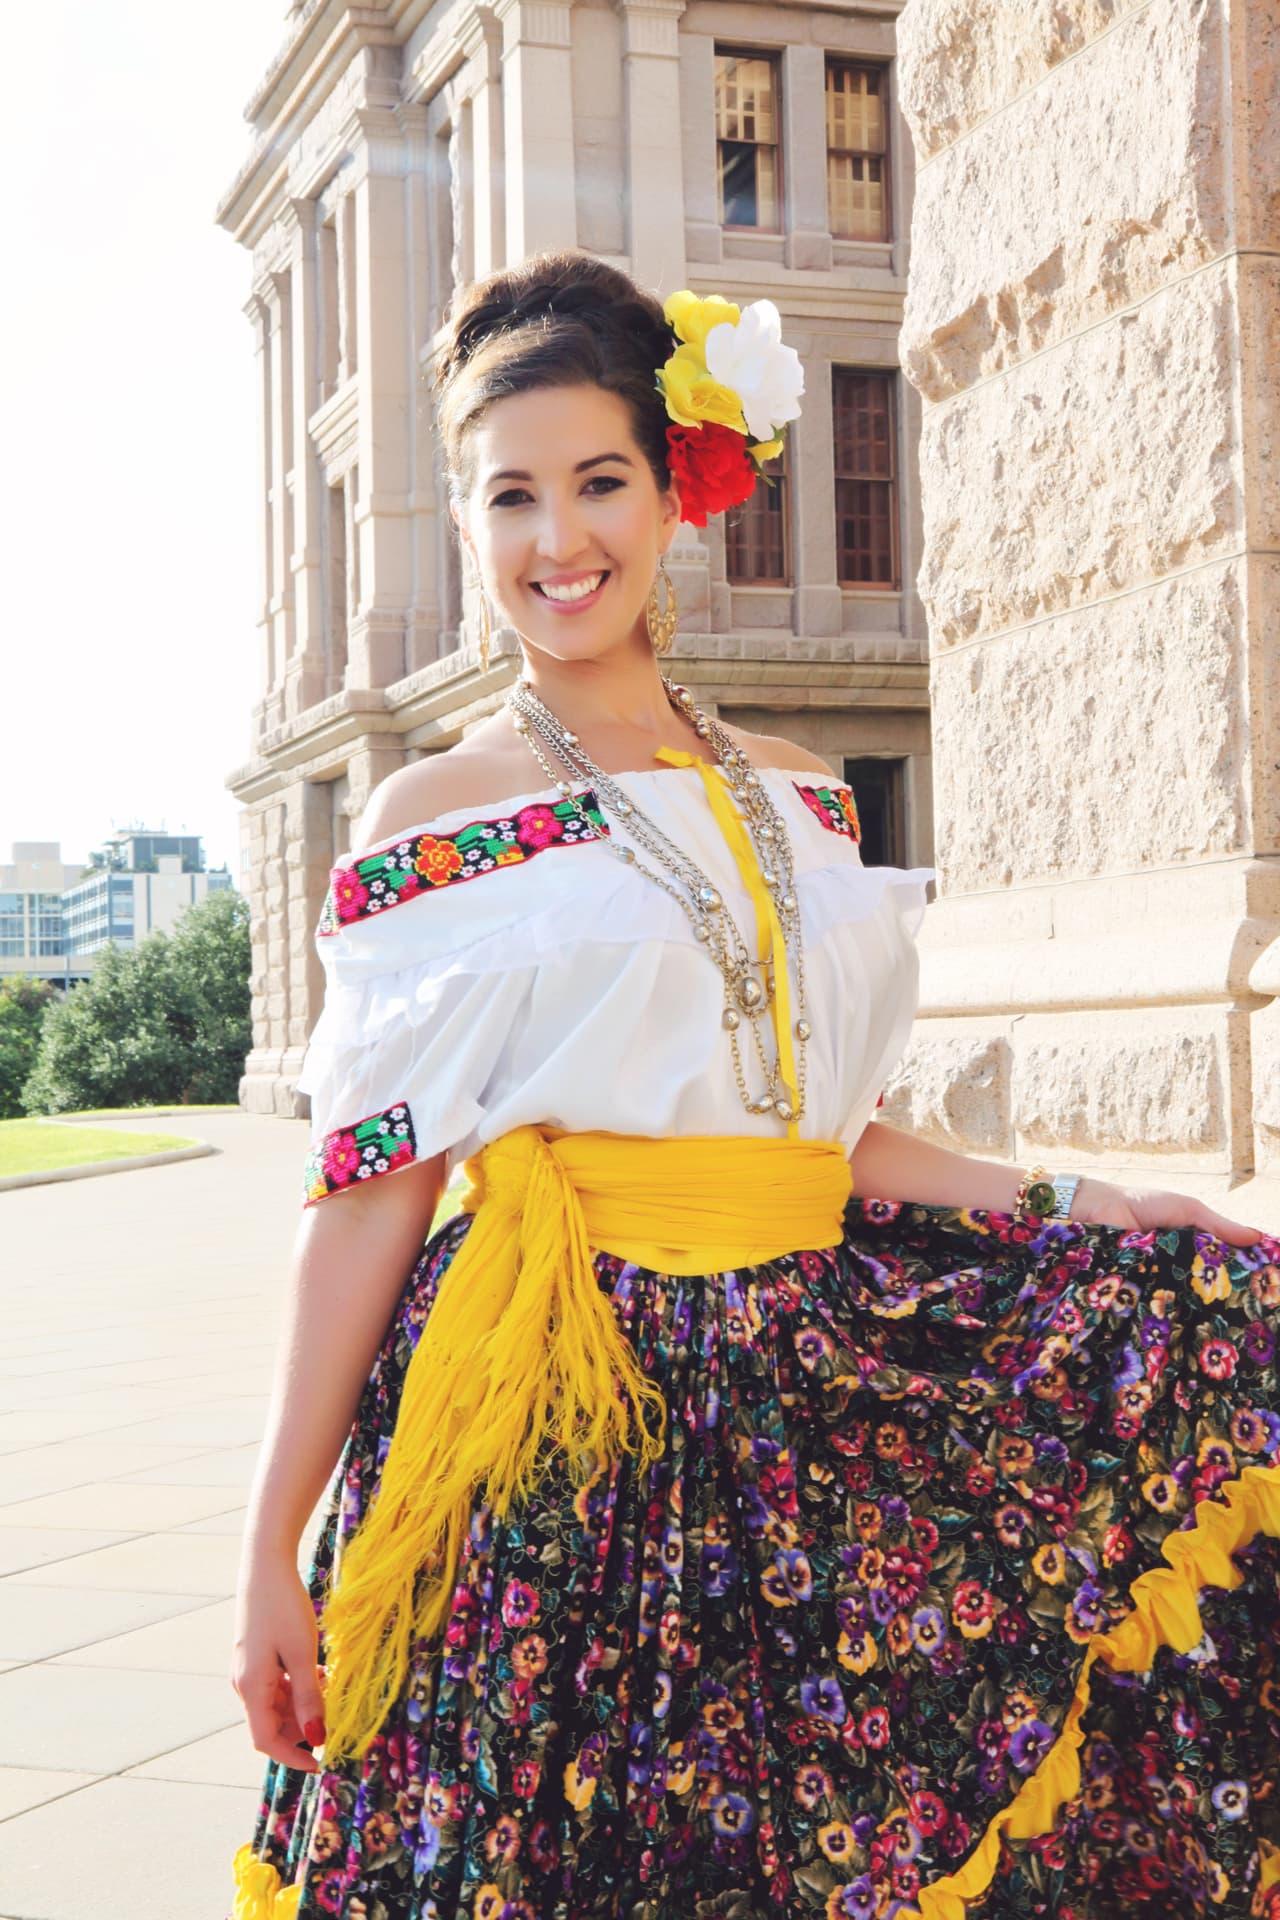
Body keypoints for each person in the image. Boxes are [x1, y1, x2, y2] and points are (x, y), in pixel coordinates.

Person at [228, 250, 1280, 1920]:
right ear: (469, 518)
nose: (557, 541)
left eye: (598, 483)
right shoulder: (434, 814)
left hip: (809, 1382)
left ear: (675, 494)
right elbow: (373, 1196)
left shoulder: (799, 800)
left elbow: (830, 1136)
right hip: (563, 1419)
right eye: (512, 497)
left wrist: (1077, 1199)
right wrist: (270, 1542)